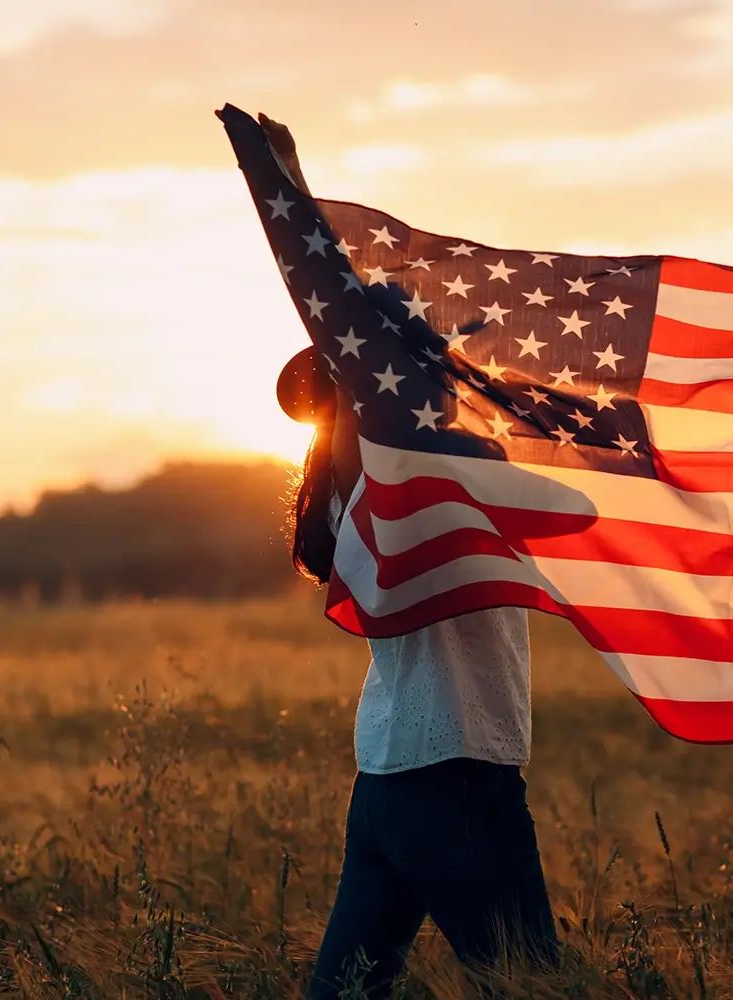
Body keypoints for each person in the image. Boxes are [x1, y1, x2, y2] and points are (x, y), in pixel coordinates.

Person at [258, 114, 560, 999]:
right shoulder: (401, 480)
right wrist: (293, 191)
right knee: (533, 985)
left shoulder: (418, 479)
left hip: (393, 776)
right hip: (454, 773)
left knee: (344, 994)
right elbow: (345, 324)